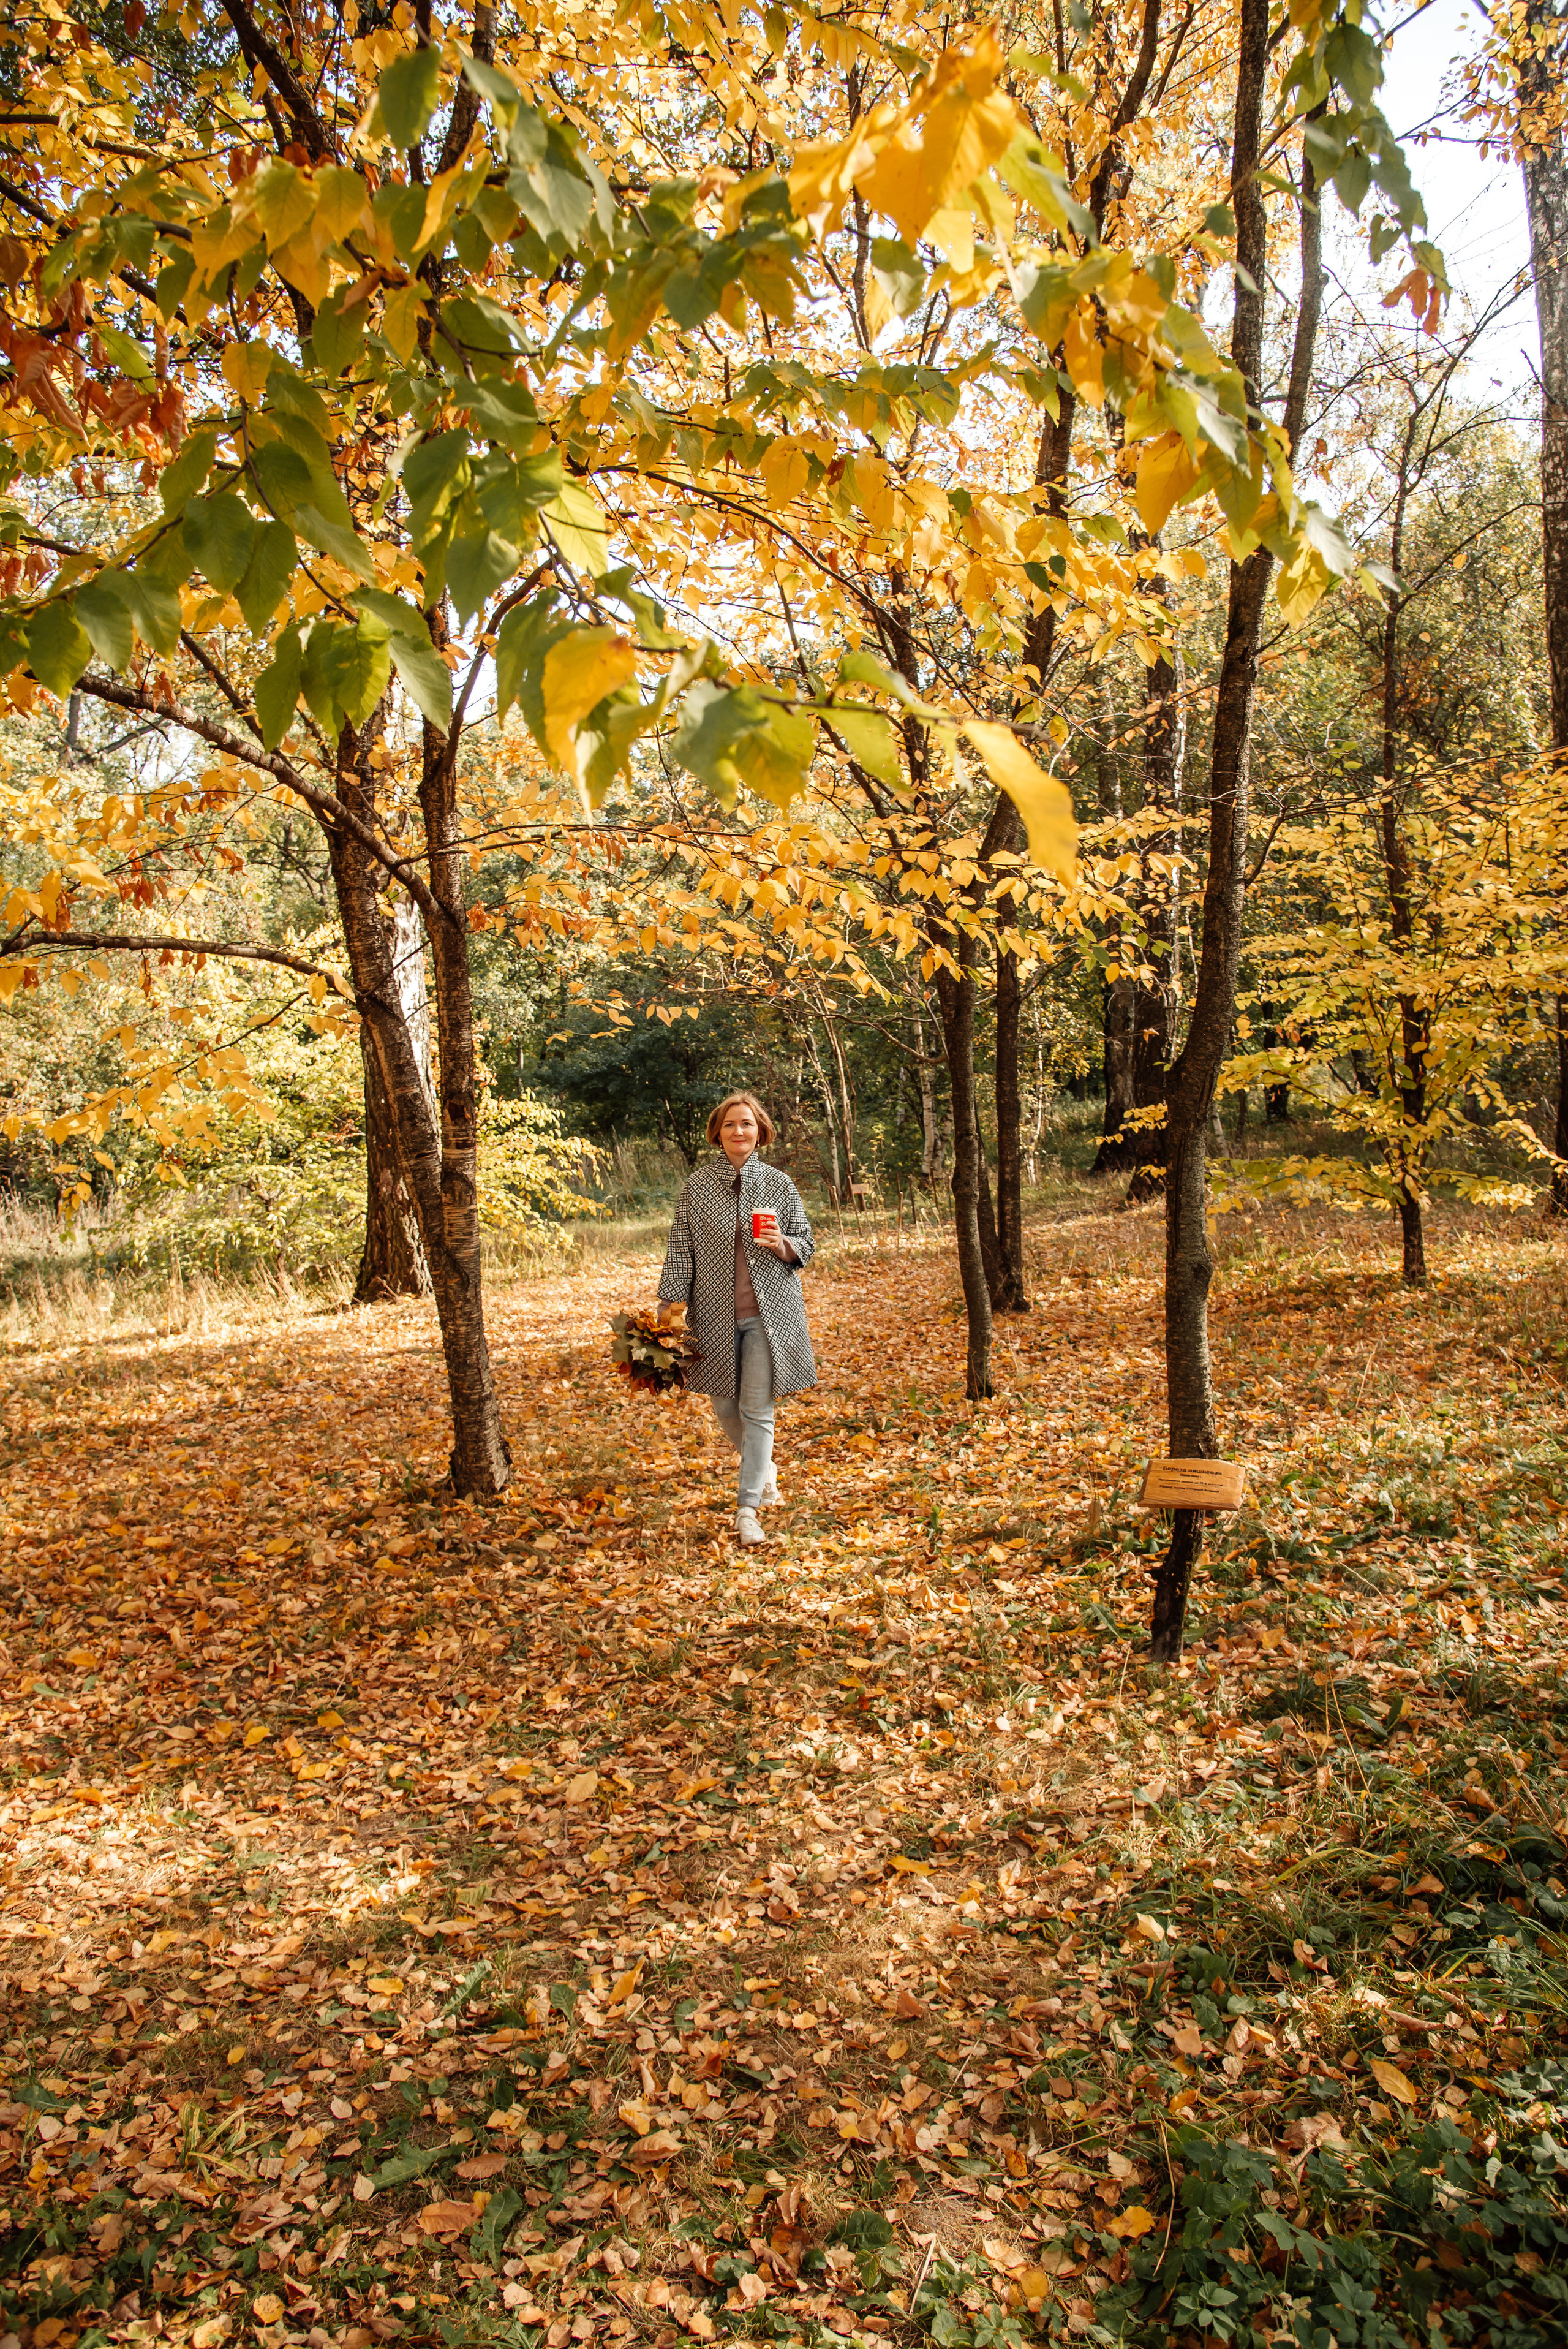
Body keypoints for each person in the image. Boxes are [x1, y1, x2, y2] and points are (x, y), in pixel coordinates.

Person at [657, 1091, 816, 1546]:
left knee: (757, 1410)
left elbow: (805, 1244)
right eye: (730, 1124)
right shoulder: (698, 1186)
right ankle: (764, 1467)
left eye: (747, 1124)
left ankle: (748, 1510)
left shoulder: (779, 1185)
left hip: (770, 1315)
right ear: (718, 1132)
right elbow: (681, 1250)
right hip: (712, 1317)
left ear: (759, 1130)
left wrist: (781, 1242)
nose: (739, 1131)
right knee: (724, 1406)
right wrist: (668, 1305)